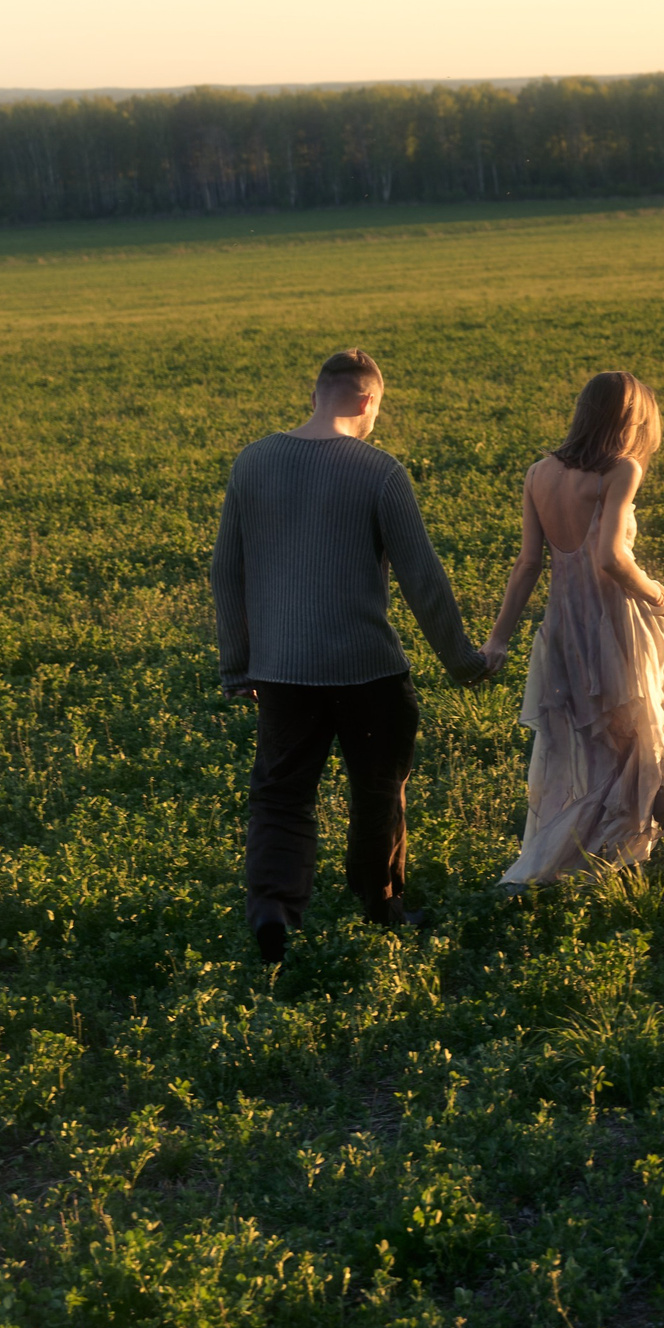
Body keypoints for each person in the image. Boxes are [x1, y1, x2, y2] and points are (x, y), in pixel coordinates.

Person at [210, 349, 491, 964]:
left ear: (315, 395)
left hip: (282, 671)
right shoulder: (378, 471)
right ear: (367, 402)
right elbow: (423, 578)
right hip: (369, 670)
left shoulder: (253, 462)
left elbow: (225, 570)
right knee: (378, 790)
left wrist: (238, 664)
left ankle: (272, 911)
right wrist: (463, 661)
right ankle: (381, 904)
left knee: (281, 794)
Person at [481, 370, 664, 884]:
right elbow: (611, 557)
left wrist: (498, 639)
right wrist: (656, 591)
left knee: (600, 742)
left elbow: (528, 563)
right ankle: (605, 849)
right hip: (618, 621)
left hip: (566, 627)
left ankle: (605, 848)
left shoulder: (538, 473)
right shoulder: (621, 469)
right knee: (647, 727)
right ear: (631, 419)